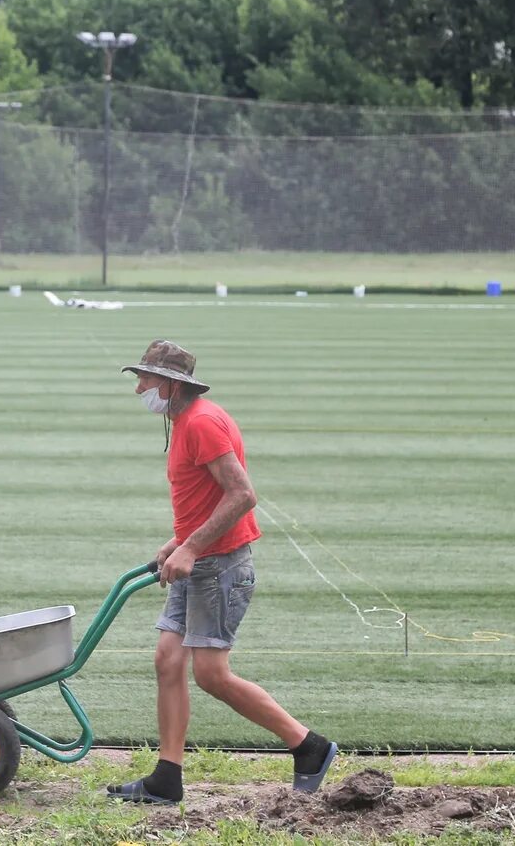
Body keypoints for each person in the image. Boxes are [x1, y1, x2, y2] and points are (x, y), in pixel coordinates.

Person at [108, 339, 336, 805]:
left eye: (146, 380)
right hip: (198, 560)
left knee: (211, 674)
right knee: (168, 660)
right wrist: (178, 543)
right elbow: (207, 498)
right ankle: (167, 778)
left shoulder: (203, 423)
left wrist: (190, 547)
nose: (140, 391)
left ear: (171, 385)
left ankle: (308, 747)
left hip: (219, 567)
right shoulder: (184, 421)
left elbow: (242, 495)